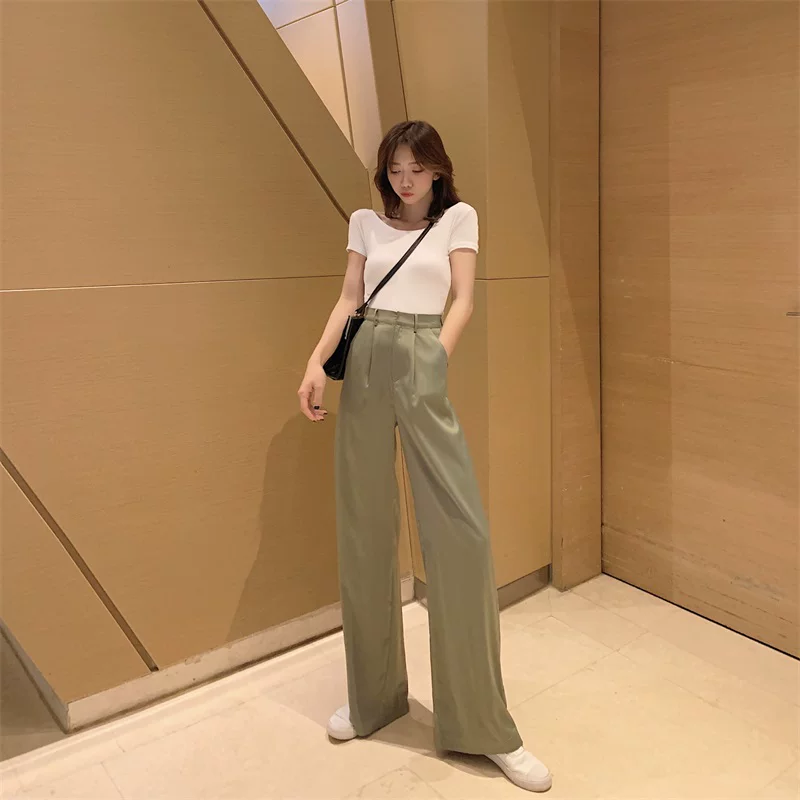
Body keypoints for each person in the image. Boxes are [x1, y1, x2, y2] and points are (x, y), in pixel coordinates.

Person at [297, 120, 552, 793]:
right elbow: (349, 299)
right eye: (394, 169)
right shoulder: (364, 223)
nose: (405, 180)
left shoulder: (459, 219)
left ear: (438, 169)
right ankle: (373, 698)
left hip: (422, 354)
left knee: (462, 536)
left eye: (416, 167)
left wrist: (434, 359)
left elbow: (463, 299)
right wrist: (316, 363)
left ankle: (485, 726)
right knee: (365, 526)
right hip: (366, 361)